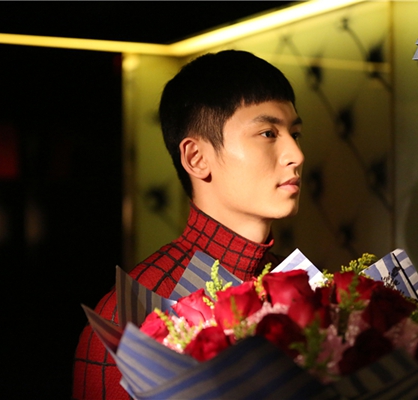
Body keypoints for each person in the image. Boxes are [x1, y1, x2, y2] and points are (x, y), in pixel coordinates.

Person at [72, 50, 304, 399]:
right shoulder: (131, 314)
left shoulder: (303, 288)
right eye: (269, 133)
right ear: (197, 158)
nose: (296, 155)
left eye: (295, 134)